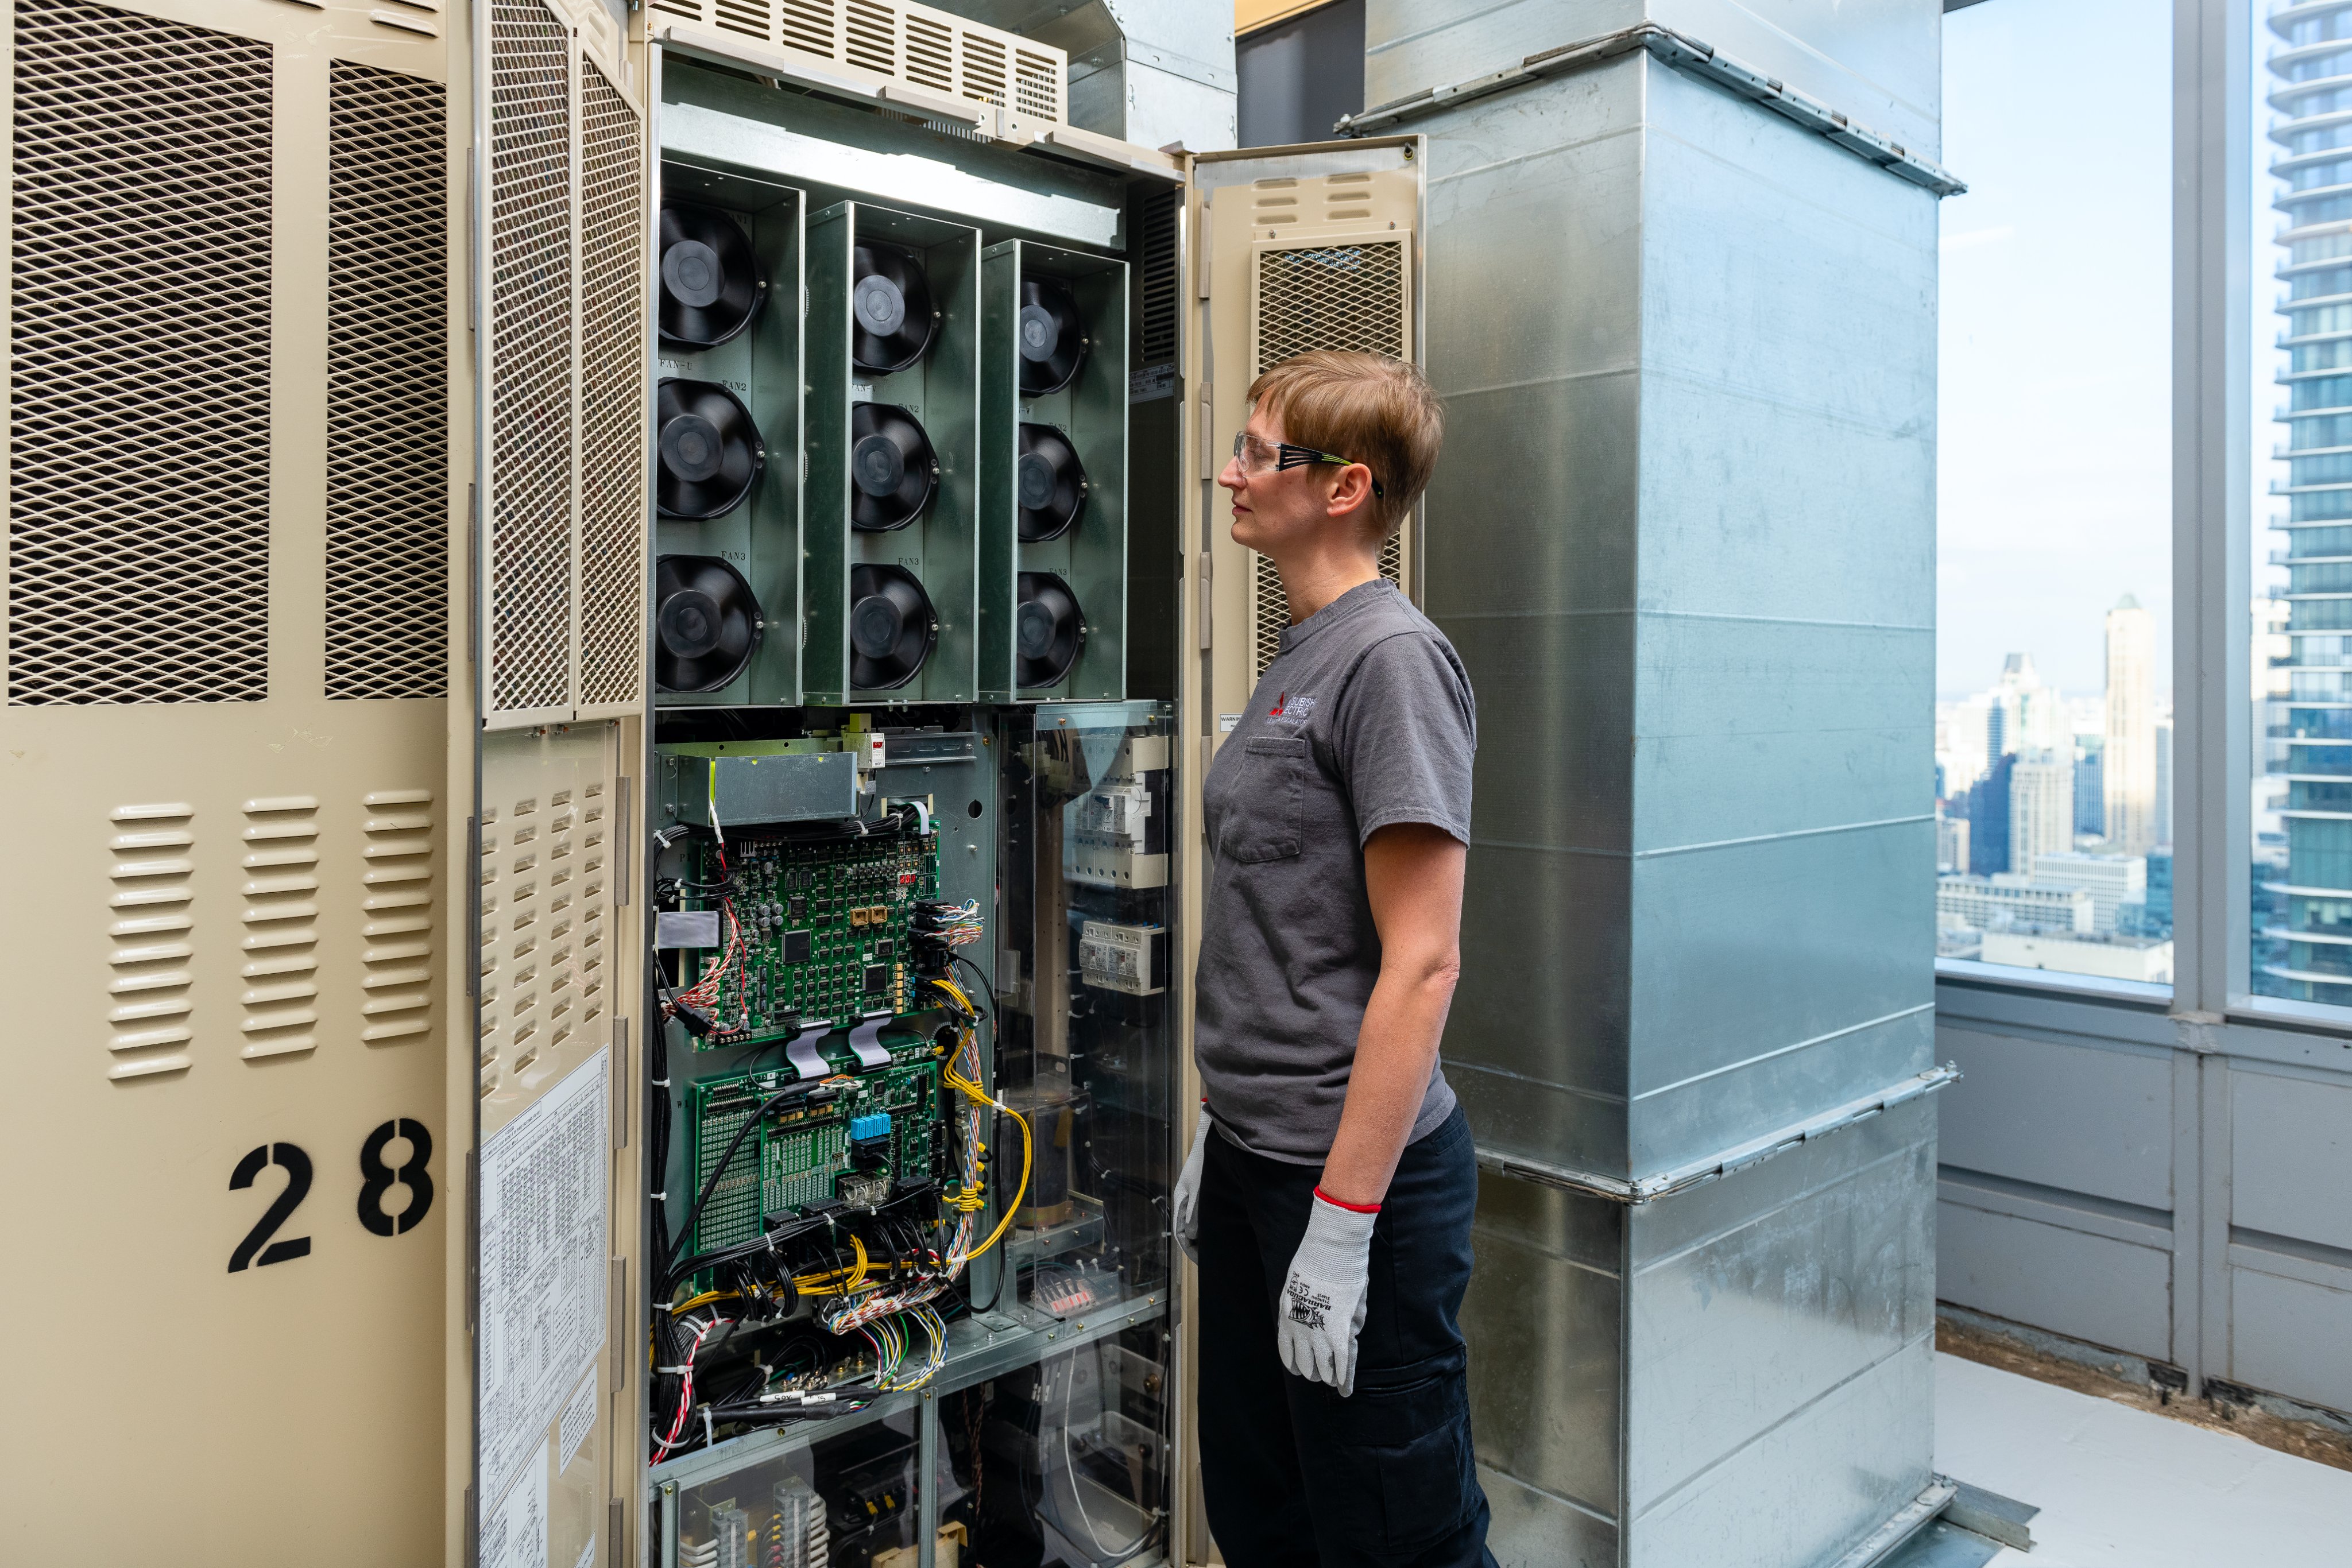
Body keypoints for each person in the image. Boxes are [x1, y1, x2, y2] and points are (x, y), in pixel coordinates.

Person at [1175, 350, 1493, 1567]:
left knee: (1396, 1539)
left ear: (1345, 485)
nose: (1230, 472)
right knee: (1267, 1519)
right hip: (1264, 1162)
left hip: (1355, 1183)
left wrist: (1346, 1221)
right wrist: (1227, 1122)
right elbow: (1284, 927)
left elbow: (1421, 963)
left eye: (1259, 452)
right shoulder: (1303, 653)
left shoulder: (1389, 661)